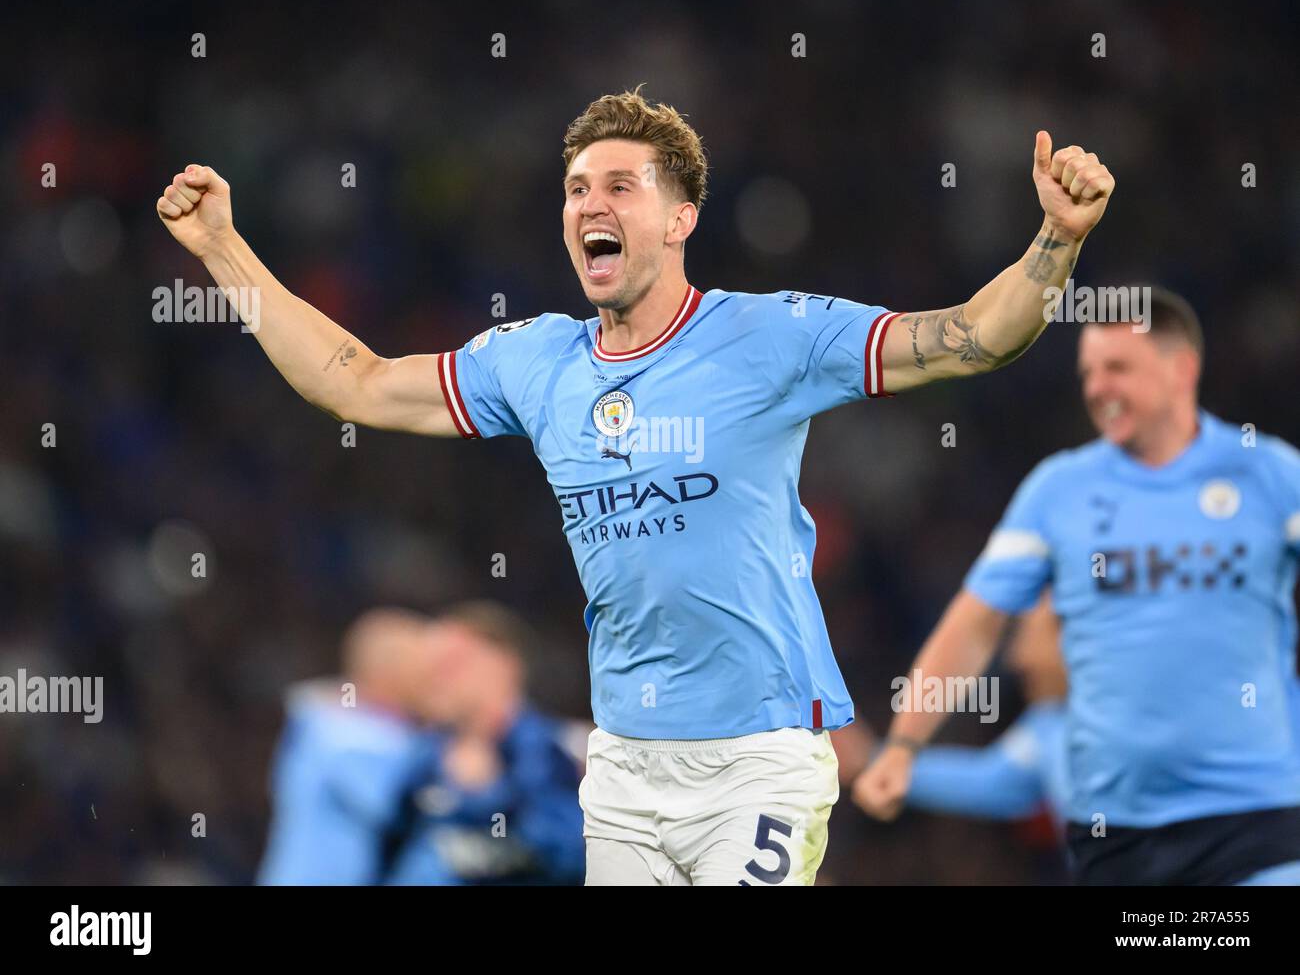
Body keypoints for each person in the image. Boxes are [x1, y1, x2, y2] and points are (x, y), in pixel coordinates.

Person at [157, 85, 1114, 885]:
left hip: (761, 759)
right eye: (576, 189)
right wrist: (223, 254)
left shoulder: (769, 336)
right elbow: (354, 381)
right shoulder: (534, 362)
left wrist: (1056, 243)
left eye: (621, 185)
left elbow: (972, 336)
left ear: (680, 216)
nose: (590, 206)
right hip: (622, 770)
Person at [854, 290, 1300, 885]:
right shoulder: (1058, 491)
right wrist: (906, 745)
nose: (1096, 388)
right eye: (1088, 372)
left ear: (1181, 369)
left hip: (1255, 820)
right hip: (1117, 833)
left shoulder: (1268, 473)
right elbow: (975, 623)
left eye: (1117, 368)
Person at [384, 601, 585, 885]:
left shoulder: (561, 753)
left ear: (504, 664)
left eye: (450, 664)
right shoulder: (421, 760)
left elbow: (572, 858)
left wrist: (485, 798)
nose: (435, 680)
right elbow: (391, 856)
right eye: (428, 668)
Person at [835, 594, 1069, 826]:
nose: (1018, 659)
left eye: (1031, 637)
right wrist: (871, 759)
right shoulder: (1048, 723)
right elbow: (990, 782)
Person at [258, 607, 444, 885]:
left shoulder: (349, 730)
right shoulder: (341, 737)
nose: (437, 682)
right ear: (388, 671)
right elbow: (410, 806)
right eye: (426, 669)